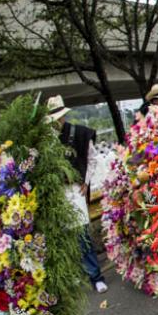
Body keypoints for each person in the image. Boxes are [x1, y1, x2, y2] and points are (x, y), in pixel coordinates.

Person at [46, 95, 108, 293]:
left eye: (58, 117)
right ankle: (75, 275)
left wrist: (86, 181)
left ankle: (95, 275)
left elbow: (93, 158)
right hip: (57, 194)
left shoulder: (79, 133)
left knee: (82, 234)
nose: (56, 121)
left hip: (74, 190)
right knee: (66, 238)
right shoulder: (46, 143)